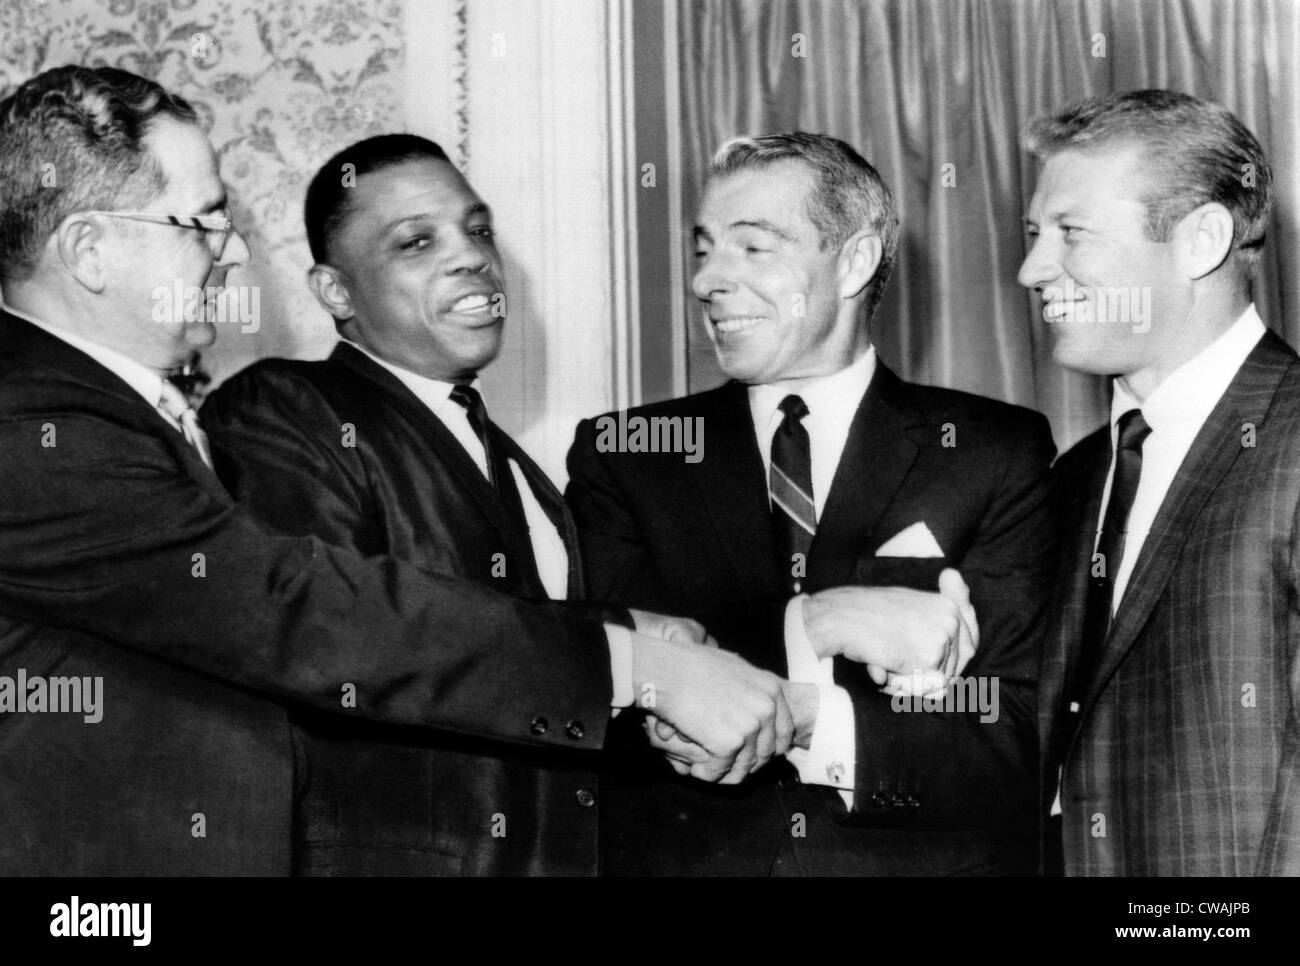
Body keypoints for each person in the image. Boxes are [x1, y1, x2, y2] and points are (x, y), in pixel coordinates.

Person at [0, 65, 790, 875]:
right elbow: (299, 610)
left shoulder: (110, 414)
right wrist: (631, 665)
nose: (234, 250)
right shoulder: (35, 425)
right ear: (89, 250)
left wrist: (620, 636)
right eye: (202, 221)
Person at [200, 134, 772, 874]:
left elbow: (543, 681)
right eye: (416, 241)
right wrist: (638, 655)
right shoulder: (284, 408)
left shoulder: (518, 467)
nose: (471, 256)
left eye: (477, 229)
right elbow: (352, 640)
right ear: (337, 292)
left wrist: (662, 665)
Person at [566, 132, 1056, 875]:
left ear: (855, 261)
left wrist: (817, 721)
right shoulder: (627, 450)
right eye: (703, 250)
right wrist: (819, 624)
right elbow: (597, 682)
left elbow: (1016, 729)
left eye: (753, 248)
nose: (706, 281)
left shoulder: (994, 450)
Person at [1021, 89, 1300, 875]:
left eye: (1071, 233)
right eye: (1035, 235)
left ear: (1201, 240)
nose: (1032, 269)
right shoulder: (1076, 477)